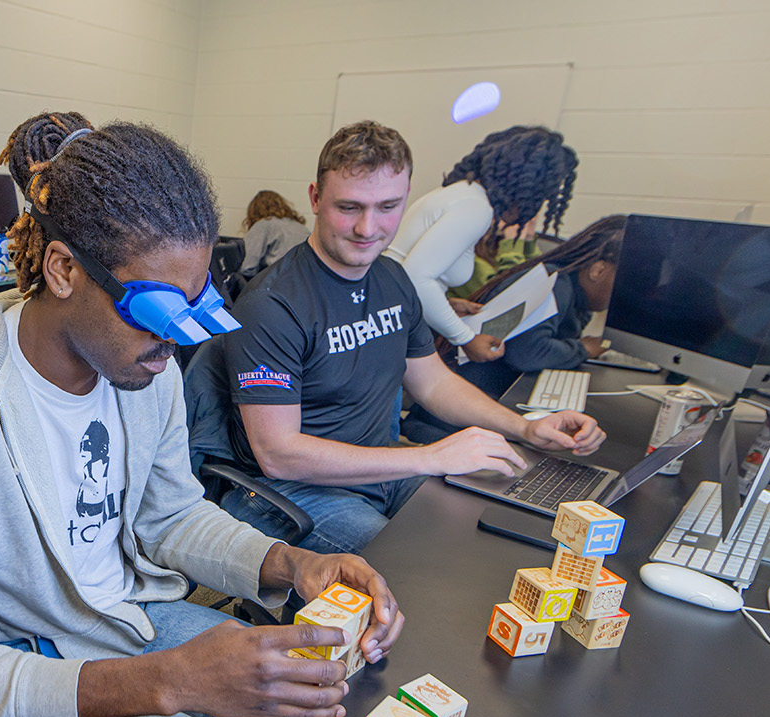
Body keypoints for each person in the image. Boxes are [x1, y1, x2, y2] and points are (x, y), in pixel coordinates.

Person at [0, 112, 405, 717]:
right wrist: (169, 680)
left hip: (127, 618)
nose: (176, 338)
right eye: (157, 310)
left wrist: (293, 564)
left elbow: (170, 517)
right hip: (13, 681)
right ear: (62, 269)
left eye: (196, 306)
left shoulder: (142, 367)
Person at [214, 120, 606, 555]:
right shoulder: (272, 303)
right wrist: (430, 456)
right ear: (315, 198)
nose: (368, 228)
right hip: (294, 492)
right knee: (416, 564)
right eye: (349, 207)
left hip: (381, 469)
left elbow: (433, 383)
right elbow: (278, 454)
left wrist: (527, 428)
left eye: (387, 206)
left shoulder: (394, 280)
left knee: (484, 534)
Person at [403, 216, 626, 444]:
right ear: (597, 270)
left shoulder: (570, 290)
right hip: (450, 422)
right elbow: (527, 353)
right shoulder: (556, 283)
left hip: (466, 411)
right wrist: (582, 350)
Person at [385, 126, 579, 363]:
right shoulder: (476, 208)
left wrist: (446, 305)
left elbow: (408, 277)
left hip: (391, 319)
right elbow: (415, 277)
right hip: (389, 334)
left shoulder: (458, 194)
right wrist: (465, 338)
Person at [240, 190, 311, 277]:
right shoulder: (301, 227)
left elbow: (248, 268)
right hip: (307, 278)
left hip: (283, 280)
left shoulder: (263, 224)